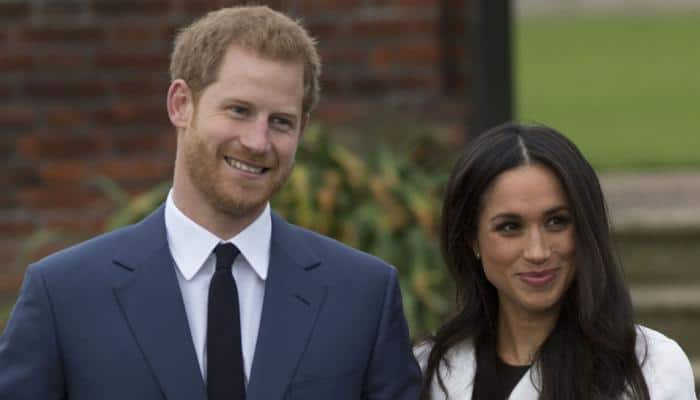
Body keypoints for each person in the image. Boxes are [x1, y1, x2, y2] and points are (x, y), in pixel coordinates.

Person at [0, 6, 421, 400]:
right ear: (181, 104)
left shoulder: (362, 296)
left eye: (281, 122)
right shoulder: (65, 295)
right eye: (239, 110)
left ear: (303, 128)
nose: (258, 142)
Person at [415, 123, 696, 400]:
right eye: (510, 227)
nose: (537, 252)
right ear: (472, 238)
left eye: (556, 222)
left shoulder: (652, 368)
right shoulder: (430, 369)